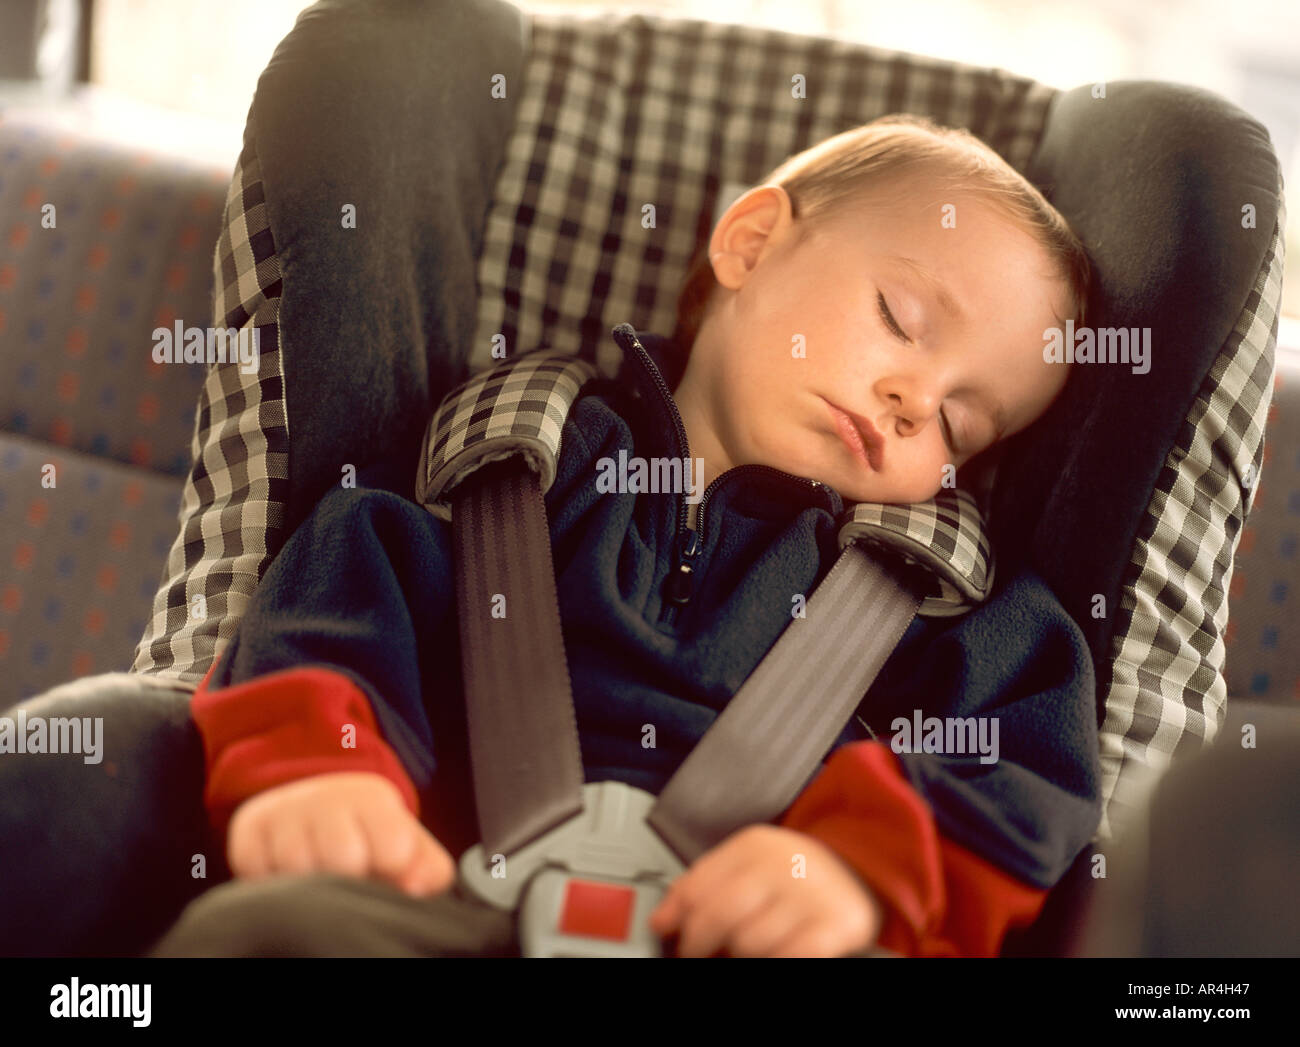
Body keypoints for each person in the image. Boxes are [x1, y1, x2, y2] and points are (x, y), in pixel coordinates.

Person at [148, 114, 1101, 958]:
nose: (914, 403)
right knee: (257, 934)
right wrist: (325, 769)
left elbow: (1023, 759)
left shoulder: (923, 594)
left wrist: (852, 871)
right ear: (753, 242)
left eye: (961, 429)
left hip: (739, 935)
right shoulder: (525, 466)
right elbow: (347, 595)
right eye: (901, 319)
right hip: (456, 901)